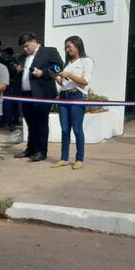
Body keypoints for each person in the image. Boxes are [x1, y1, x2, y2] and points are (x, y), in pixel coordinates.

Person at [14, 33, 63, 162]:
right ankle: (30, 149)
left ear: (34, 41)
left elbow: (59, 66)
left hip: (42, 93)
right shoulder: (22, 57)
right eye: (23, 48)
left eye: (26, 46)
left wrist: (43, 72)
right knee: (30, 122)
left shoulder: (49, 51)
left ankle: (41, 151)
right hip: (25, 94)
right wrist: (18, 70)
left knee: (41, 122)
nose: (25, 49)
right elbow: (20, 72)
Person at [52, 36, 94, 170]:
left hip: (77, 96)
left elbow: (85, 81)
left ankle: (79, 159)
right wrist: (55, 77)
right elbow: (63, 84)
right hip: (64, 96)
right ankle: (64, 158)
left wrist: (69, 74)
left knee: (77, 128)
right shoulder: (67, 63)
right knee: (65, 129)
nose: (67, 49)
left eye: (69, 46)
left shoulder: (87, 61)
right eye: (66, 47)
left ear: (77, 45)